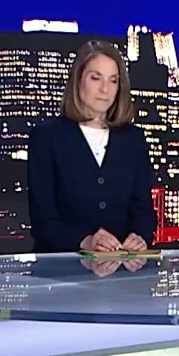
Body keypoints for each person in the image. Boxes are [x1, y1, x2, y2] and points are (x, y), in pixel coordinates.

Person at [27, 40, 156, 253]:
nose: (105, 89)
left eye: (113, 80)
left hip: (121, 269)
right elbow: (43, 223)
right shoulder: (47, 137)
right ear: (78, 80)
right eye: (96, 78)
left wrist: (140, 237)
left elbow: (143, 210)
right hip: (61, 269)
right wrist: (85, 242)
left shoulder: (133, 139)